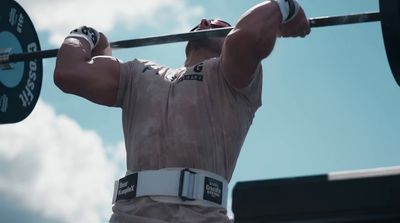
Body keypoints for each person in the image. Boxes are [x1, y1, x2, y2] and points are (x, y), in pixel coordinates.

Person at [53, 0, 310, 222]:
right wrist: (88, 35)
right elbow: (69, 72)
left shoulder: (232, 77)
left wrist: (285, 7)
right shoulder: (137, 74)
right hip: (128, 217)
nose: (204, 22)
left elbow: (249, 34)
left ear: (229, 39)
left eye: (219, 24)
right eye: (203, 22)